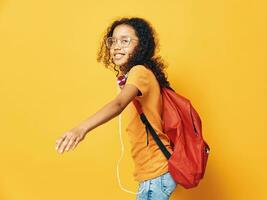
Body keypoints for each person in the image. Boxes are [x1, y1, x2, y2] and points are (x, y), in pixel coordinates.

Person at [55, 17, 177, 200]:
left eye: (125, 41)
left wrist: (81, 129)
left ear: (141, 46)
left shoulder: (139, 72)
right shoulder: (133, 75)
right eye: (113, 41)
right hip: (151, 174)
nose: (117, 46)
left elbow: (119, 104)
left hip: (156, 173)